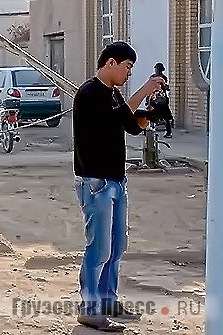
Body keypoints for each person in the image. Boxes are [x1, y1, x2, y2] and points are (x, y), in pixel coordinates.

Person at [72, 41, 165, 331]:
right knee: (98, 248)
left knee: (116, 246)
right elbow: (113, 120)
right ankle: (89, 307)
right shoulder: (89, 93)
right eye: (127, 67)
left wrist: (151, 113)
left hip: (116, 180)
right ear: (111, 63)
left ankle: (108, 300)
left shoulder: (113, 95)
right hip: (95, 181)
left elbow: (130, 125)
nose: (128, 73)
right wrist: (144, 91)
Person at [145, 62, 174, 138]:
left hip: (156, 100)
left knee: (152, 115)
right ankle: (168, 132)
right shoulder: (163, 78)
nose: (156, 70)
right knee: (166, 117)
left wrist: (147, 99)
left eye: (156, 68)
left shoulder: (155, 78)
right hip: (160, 100)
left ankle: (149, 130)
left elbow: (150, 88)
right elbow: (165, 87)